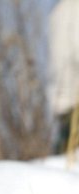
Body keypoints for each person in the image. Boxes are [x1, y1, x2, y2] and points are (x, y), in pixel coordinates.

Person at [49, 0, 79, 154]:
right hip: (72, 99)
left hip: (61, 100)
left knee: (63, 154)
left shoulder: (56, 12)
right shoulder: (72, 9)